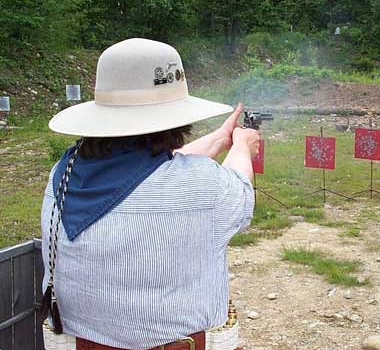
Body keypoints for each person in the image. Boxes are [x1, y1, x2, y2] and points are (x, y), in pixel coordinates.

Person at [41, 38, 259, 350]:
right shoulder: (201, 185)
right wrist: (241, 146)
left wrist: (220, 138)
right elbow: (240, 189)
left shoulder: (62, 174)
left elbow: (143, 174)